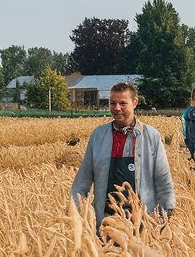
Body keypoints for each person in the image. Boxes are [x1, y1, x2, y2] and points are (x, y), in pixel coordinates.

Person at [71, 81, 175, 232]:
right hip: (106, 220)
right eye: (112, 103)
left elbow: (163, 178)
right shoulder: (99, 135)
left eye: (122, 103)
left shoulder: (151, 136)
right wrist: (75, 211)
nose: (117, 108)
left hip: (142, 220)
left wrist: (166, 211)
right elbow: (83, 178)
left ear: (134, 103)